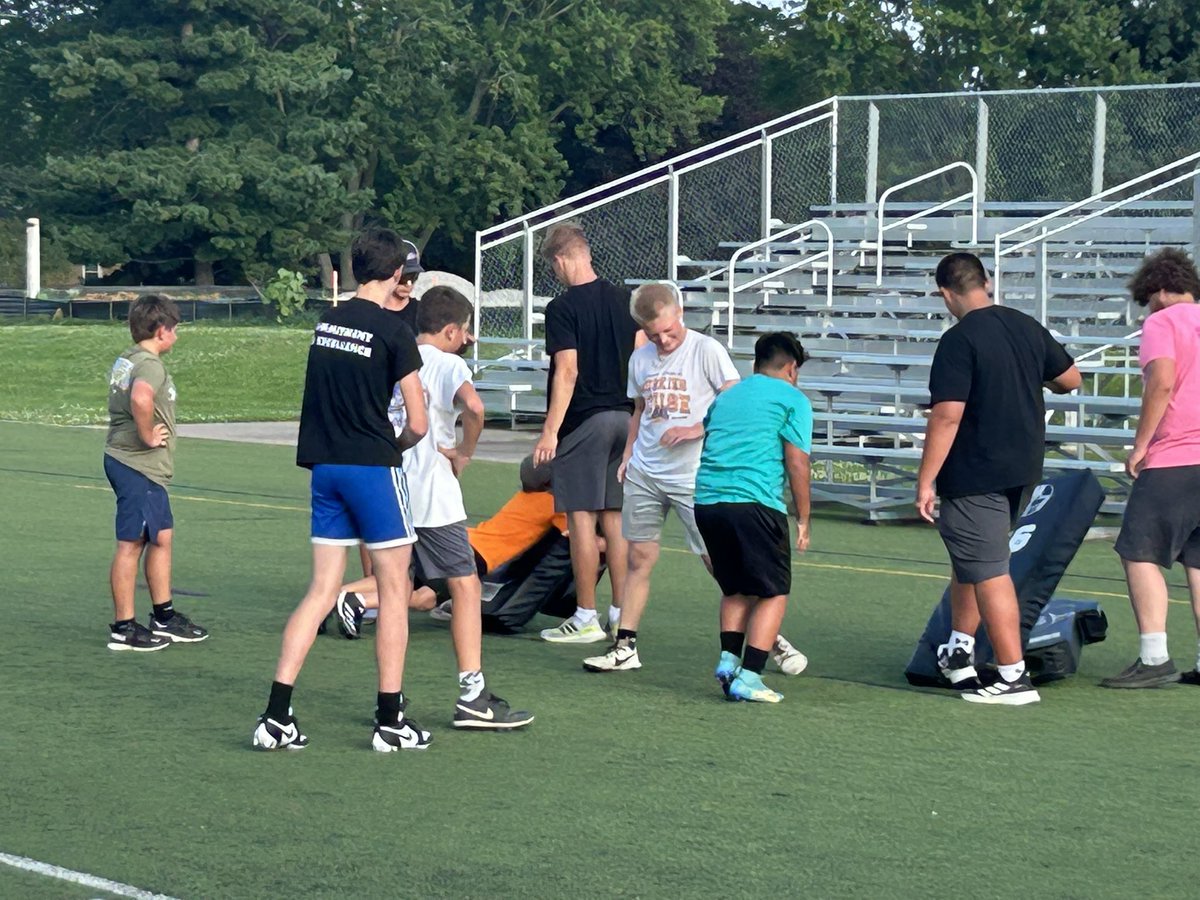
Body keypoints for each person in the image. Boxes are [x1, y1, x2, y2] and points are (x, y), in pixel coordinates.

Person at [253, 228, 429, 752]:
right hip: (371, 468)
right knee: (396, 590)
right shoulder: (395, 331)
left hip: (324, 467)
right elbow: (418, 422)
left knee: (321, 590)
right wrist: (390, 445)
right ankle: (391, 720)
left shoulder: (326, 322)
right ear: (397, 273)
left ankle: (276, 715)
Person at [343, 285, 533, 729]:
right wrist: (465, 450)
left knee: (398, 586)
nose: (465, 339)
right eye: (464, 331)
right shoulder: (448, 363)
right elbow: (476, 407)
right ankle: (472, 694)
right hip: (433, 494)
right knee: (464, 586)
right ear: (451, 330)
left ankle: (388, 692)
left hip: (389, 485)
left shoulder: (393, 356)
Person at [916, 252, 1081, 706]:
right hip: (1022, 466)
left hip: (976, 469)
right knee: (974, 557)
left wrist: (926, 479)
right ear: (986, 282)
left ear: (946, 294)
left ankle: (1012, 676)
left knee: (989, 569)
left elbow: (947, 416)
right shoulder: (1024, 325)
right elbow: (1071, 379)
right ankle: (960, 649)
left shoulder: (958, 339)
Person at [581, 281, 739, 670]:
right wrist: (629, 453)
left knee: (713, 557)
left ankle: (759, 626)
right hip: (646, 472)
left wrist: (697, 428)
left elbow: (733, 397)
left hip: (693, 474)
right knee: (639, 557)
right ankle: (625, 647)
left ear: (680, 313)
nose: (664, 340)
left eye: (669, 331)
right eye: (655, 335)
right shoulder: (641, 359)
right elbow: (640, 410)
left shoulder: (706, 350)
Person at [533, 222, 641, 643]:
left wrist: (549, 432)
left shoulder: (562, 308)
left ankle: (585, 616)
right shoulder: (625, 302)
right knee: (613, 520)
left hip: (586, 422)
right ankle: (619, 610)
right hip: (624, 419)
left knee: (581, 519)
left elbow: (567, 370)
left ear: (560, 260)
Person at [693, 332, 814, 704]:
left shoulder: (726, 396)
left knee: (735, 588)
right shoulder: (793, 399)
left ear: (755, 364)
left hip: (707, 502)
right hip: (753, 502)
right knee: (773, 591)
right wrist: (804, 517)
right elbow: (797, 461)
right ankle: (751, 675)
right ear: (792, 368)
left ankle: (729, 661)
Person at [1102, 248, 1200, 689]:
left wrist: (1141, 445)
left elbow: (1161, 381)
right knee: (1198, 561)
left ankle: (1154, 656)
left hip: (1178, 453)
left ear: (1158, 291)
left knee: (1138, 551)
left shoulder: (1162, 322)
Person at [334, 455, 568, 625]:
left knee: (399, 579)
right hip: (477, 554)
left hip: (463, 540)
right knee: (425, 599)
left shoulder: (524, 495)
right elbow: (572, 535)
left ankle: (332, 598)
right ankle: (359, 603)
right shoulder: (556, 504)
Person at [103, 294, 208, 651]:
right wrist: (148, 435)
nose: (176, 336)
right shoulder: (149, 365)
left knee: (161, 536)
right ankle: (123, 627)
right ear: (161, 330)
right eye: (175, 329)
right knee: (131, 543)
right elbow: (141, 398)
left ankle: (163, 616)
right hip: (137, 465)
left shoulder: (128, 358)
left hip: (143, 468)